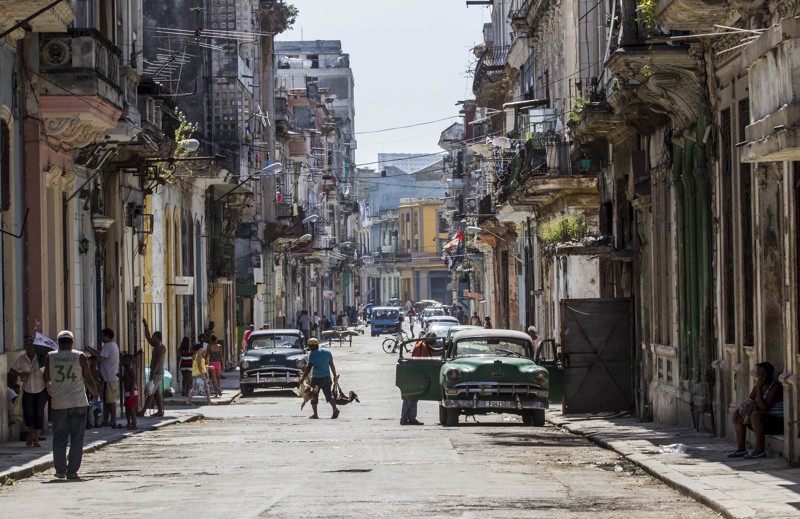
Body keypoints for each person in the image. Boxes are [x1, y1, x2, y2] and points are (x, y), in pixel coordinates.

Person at [43, 330, 98, 480]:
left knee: (59, 438)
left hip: (59, 403)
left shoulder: (51, 356)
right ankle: (72, 472)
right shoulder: (79, 356)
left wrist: (52, 392)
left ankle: (60, 470)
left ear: (59, 342)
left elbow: (46, 377)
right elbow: (88, 378)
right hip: (78, 401)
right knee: (77, 439)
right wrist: (95, 393)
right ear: (72, 342)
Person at [729, 362, 784, 459]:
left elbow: (764, 407)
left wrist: (758, 388)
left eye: (763, 374)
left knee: (755, 415)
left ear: (770, 374)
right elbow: (748, 402)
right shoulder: (757, 387)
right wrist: (741, 412)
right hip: (761, 421)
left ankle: (759, 450)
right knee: (737, 414)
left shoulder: (775, 387)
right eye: (758, 373)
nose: (760, 376)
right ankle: (741, 448)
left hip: (777, 422)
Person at [9, 335, 49, 447]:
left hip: (41, 389)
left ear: (34, 345)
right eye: (26, 344)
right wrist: (20, 374)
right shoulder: (21, 359)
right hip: (27, 390)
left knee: (39, 414)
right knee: (29, 414)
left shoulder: (41, 357)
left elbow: (48, 371)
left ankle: (36, 438)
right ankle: (30, 433)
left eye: (31, 344)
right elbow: (11, 371)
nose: (29, 346)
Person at [86, 328, 121, 428]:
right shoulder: (113, 345)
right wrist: (91, 349)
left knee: (110, 400)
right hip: (110, 376)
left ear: (107, 336)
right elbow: (101, 354)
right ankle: (106, 420)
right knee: (107, 400)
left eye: (102, 336)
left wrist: (89, 351)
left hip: (108, 377)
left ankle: (113, 420)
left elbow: (100, 358)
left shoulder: (108, 345)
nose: (101, 338)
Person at [298, 338, 340, 420]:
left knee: (313, 396)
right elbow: (332, 365)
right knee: (328, 395)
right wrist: (335, 375)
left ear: (313, 345)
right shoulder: (327, 352)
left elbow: (309, 367)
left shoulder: (313, 354)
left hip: (316, 378)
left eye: (309, 345)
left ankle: (315, 415)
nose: (309, 347)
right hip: (327, 377)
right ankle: (335, 409)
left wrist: (303, 378)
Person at [401, 333, 436, 426]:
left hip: (417, 374)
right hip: (416, 375)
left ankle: (411, 418)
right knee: (409, 397)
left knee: (414, 398)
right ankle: (404, 418)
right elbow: (422, 361)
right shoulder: (422, 346)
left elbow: (433, 350)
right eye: (433, 340)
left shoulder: (423, 344)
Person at [139, 318, 166, 417]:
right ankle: (160, 411)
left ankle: (143, 411)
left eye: (154, 337)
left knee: (150, 392)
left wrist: (153, 372)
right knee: (156, 393)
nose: (152, 338)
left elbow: (158, 361)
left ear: (158, 338)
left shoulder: (161, 347)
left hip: (157, 373)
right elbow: (148, 337)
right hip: (156, 372)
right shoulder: (155, 345)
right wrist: (146, 326)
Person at [120, 353, 138, 429]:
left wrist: (131, 390)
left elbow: (133, 379)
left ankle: (134, 424)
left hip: (131, 391)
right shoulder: (126, 370)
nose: (122, 363)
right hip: (127, 391)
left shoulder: (130, 369)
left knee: (131, 408)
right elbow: (126, 379)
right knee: (127, 408)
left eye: (124, 361)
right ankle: (129, 423)